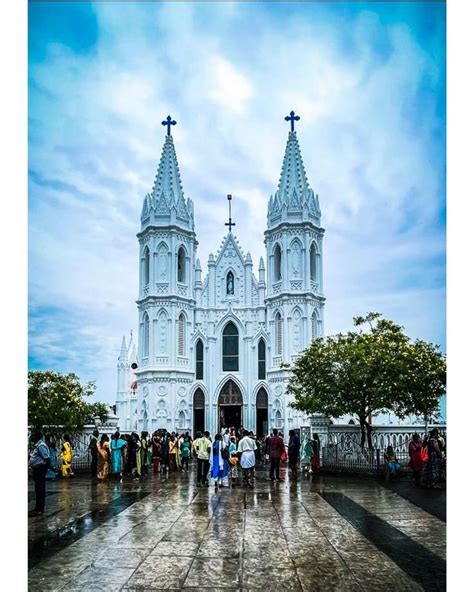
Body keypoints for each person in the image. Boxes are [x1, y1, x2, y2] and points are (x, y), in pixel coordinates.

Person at [28, 431, 50, 516]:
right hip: (38, 469)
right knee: (38, 489)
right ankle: (38, 508)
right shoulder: (38, 445)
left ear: (37, 437)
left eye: (33, 436)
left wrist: (44, 469)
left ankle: (39, 509)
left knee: (40, 489)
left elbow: (47, 459)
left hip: (40, 469)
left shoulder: (41, 446)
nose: (31, 437)